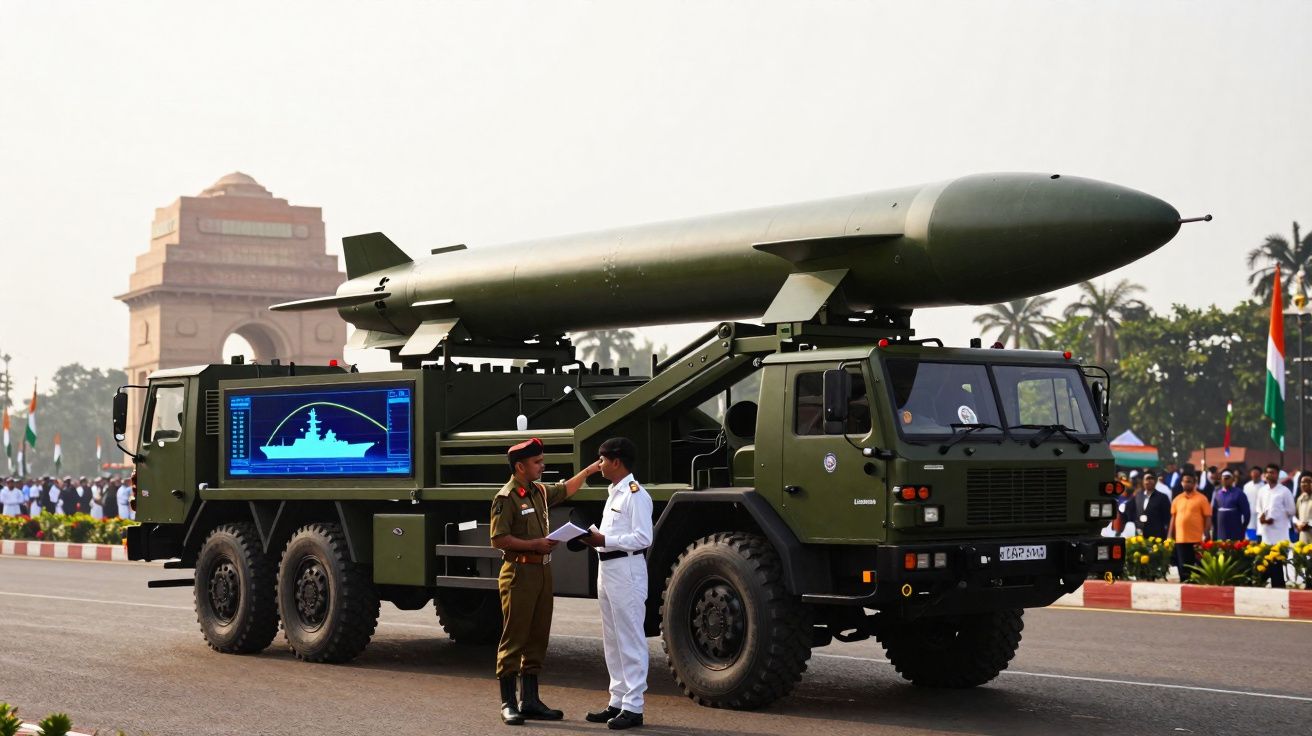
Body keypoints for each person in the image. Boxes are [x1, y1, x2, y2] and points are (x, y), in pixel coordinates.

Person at [489, 437, 602, 726]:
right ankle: (508, 702)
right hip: (518, 572)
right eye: (537, 462)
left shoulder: (538, 491)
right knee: (515, 637)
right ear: (520, 466)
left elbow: (565, 490)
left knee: (538, 636)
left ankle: (531, 701)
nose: (542, 465)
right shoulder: (506, 497)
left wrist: (588, 472)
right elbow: (499, 539)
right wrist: (535, 544)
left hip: (542, 571)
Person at [579, 437, 653, 731]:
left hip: (627, 569)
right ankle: (618, 699)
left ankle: (634, 707)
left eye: (602, 460)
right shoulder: (615, 492)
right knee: (612, 638)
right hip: (608, 568)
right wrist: (593, 538)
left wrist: (604, 540)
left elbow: (643, 537)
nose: (599, 465)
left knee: (629, 638)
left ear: (616, 461)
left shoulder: (635, 494)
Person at [1255, 463, 1296, 588]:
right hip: (1266, 535)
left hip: (1280, 536)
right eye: (1267, 472)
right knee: (1266, 565)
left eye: (1272, 472)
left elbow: (1292, 510)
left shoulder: (1284, 491)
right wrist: (1262, 518)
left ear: (1277, 475)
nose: (1269, 475)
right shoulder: (1262, 491)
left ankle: (1279, 590)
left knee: (1277, 566)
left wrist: (1277, 517)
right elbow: (1259, 509)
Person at [1168, 472, 1211, 581]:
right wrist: (1169, 536)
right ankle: (1184, 586)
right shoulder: (1177, 499)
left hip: (1196, 539)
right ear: (1181, 483)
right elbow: (1173, 518)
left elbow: (1208, 517)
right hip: (1181, 539)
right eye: (1185, 481)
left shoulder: (1202, 499)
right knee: (1183, 568)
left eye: (1189, 482)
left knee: (1197, 568)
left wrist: (1206, 533)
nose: (1187, 484)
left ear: (1194, 483)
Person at [1123, 471, 1171, 539]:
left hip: (1157, 537)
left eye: (1151, 479)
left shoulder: (1162, 497)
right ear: (1143, 481)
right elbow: (1129, 511)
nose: (1148, 481)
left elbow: (1168, 519)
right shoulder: (1138, 496)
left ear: (1155, 481)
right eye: (1146, 479)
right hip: (1139, 537)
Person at [1211, 469, 1251, 542]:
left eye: (1227, 478)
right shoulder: (1217, 494)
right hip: (1221, 531)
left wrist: (1243, 527)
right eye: (1223, 478)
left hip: (1235, 530)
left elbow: (1246, 513)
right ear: (1221, 480)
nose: (1225, 480)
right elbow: (1214, 513)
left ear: (1233, 479)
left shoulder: (1239, 493)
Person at [1243, 466, 1264, 540]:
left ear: (1260, 475)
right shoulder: (1246, 486)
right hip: (1250, 515)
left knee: (1260, 537)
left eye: (1257, 474)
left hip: (1261, 516)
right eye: (1253, 474)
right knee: (1250, 539)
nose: (1255, 476)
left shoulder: (1264, 486)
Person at [1296, 472, 1312, 546]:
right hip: (1303, 538)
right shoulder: (1300, 499)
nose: (1305, 484)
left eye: (1308, 482)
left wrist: (1309, 524)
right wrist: (1298, 524)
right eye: (1302, 482)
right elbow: (1295, 516)